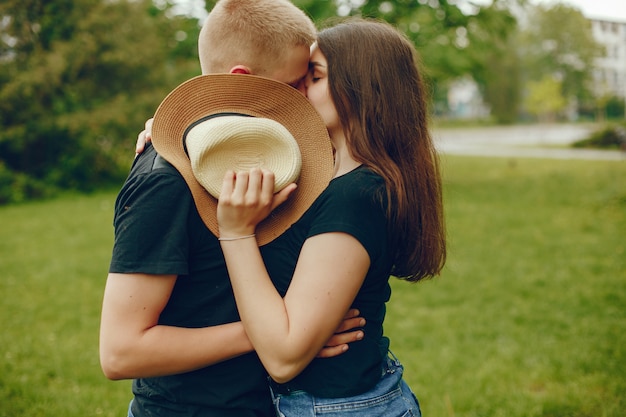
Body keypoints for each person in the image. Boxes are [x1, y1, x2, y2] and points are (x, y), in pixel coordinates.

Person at [99, 1, 364, 416]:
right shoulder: (165, 181)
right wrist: (281, 333)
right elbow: (120, 352)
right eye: (295, 83)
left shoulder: (285, 151)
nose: (306, 98)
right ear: (241, 79)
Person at [215, 18, 447, 416]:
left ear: (361, 90)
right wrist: (165, 128)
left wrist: (236, 233)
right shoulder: (327, 168)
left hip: (343, 407)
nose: (300, 86)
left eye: (315, 76)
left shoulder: (356, 196)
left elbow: (284, 357)